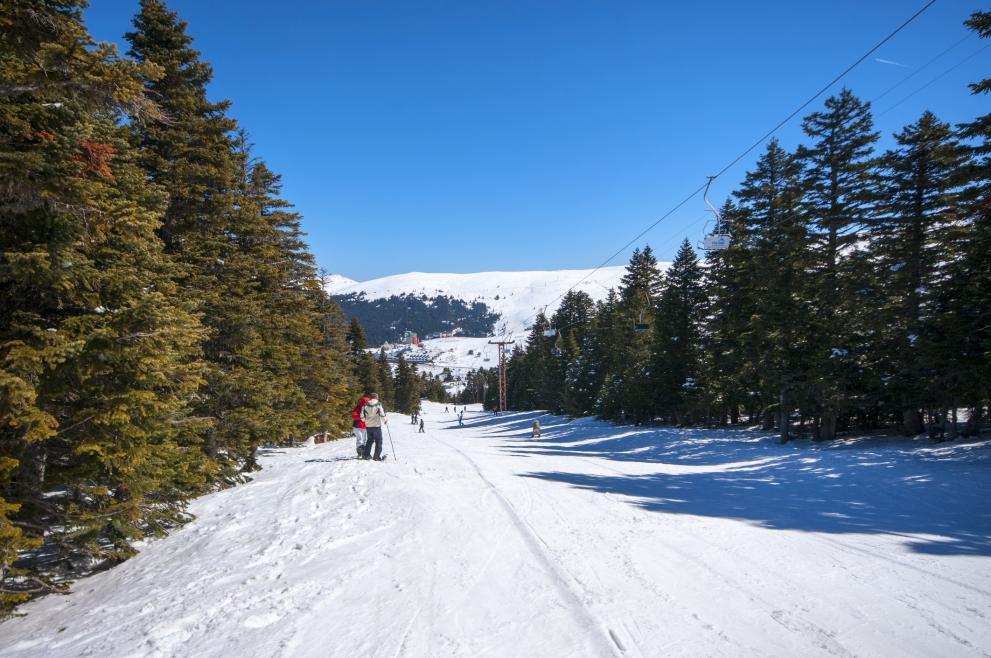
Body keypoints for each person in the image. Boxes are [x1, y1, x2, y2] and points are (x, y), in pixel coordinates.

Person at [361, 392, 388, 460]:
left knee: (369, 440)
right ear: (376, 397)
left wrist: (365, 421)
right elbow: (382, 414)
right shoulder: (378, 404)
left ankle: (366, 455)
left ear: (370, 397)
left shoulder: (365, 405)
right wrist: (385, 420)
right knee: (378, 441)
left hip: (368, 426)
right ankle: (376, 457)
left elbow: (362, 416)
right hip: (376, 426)